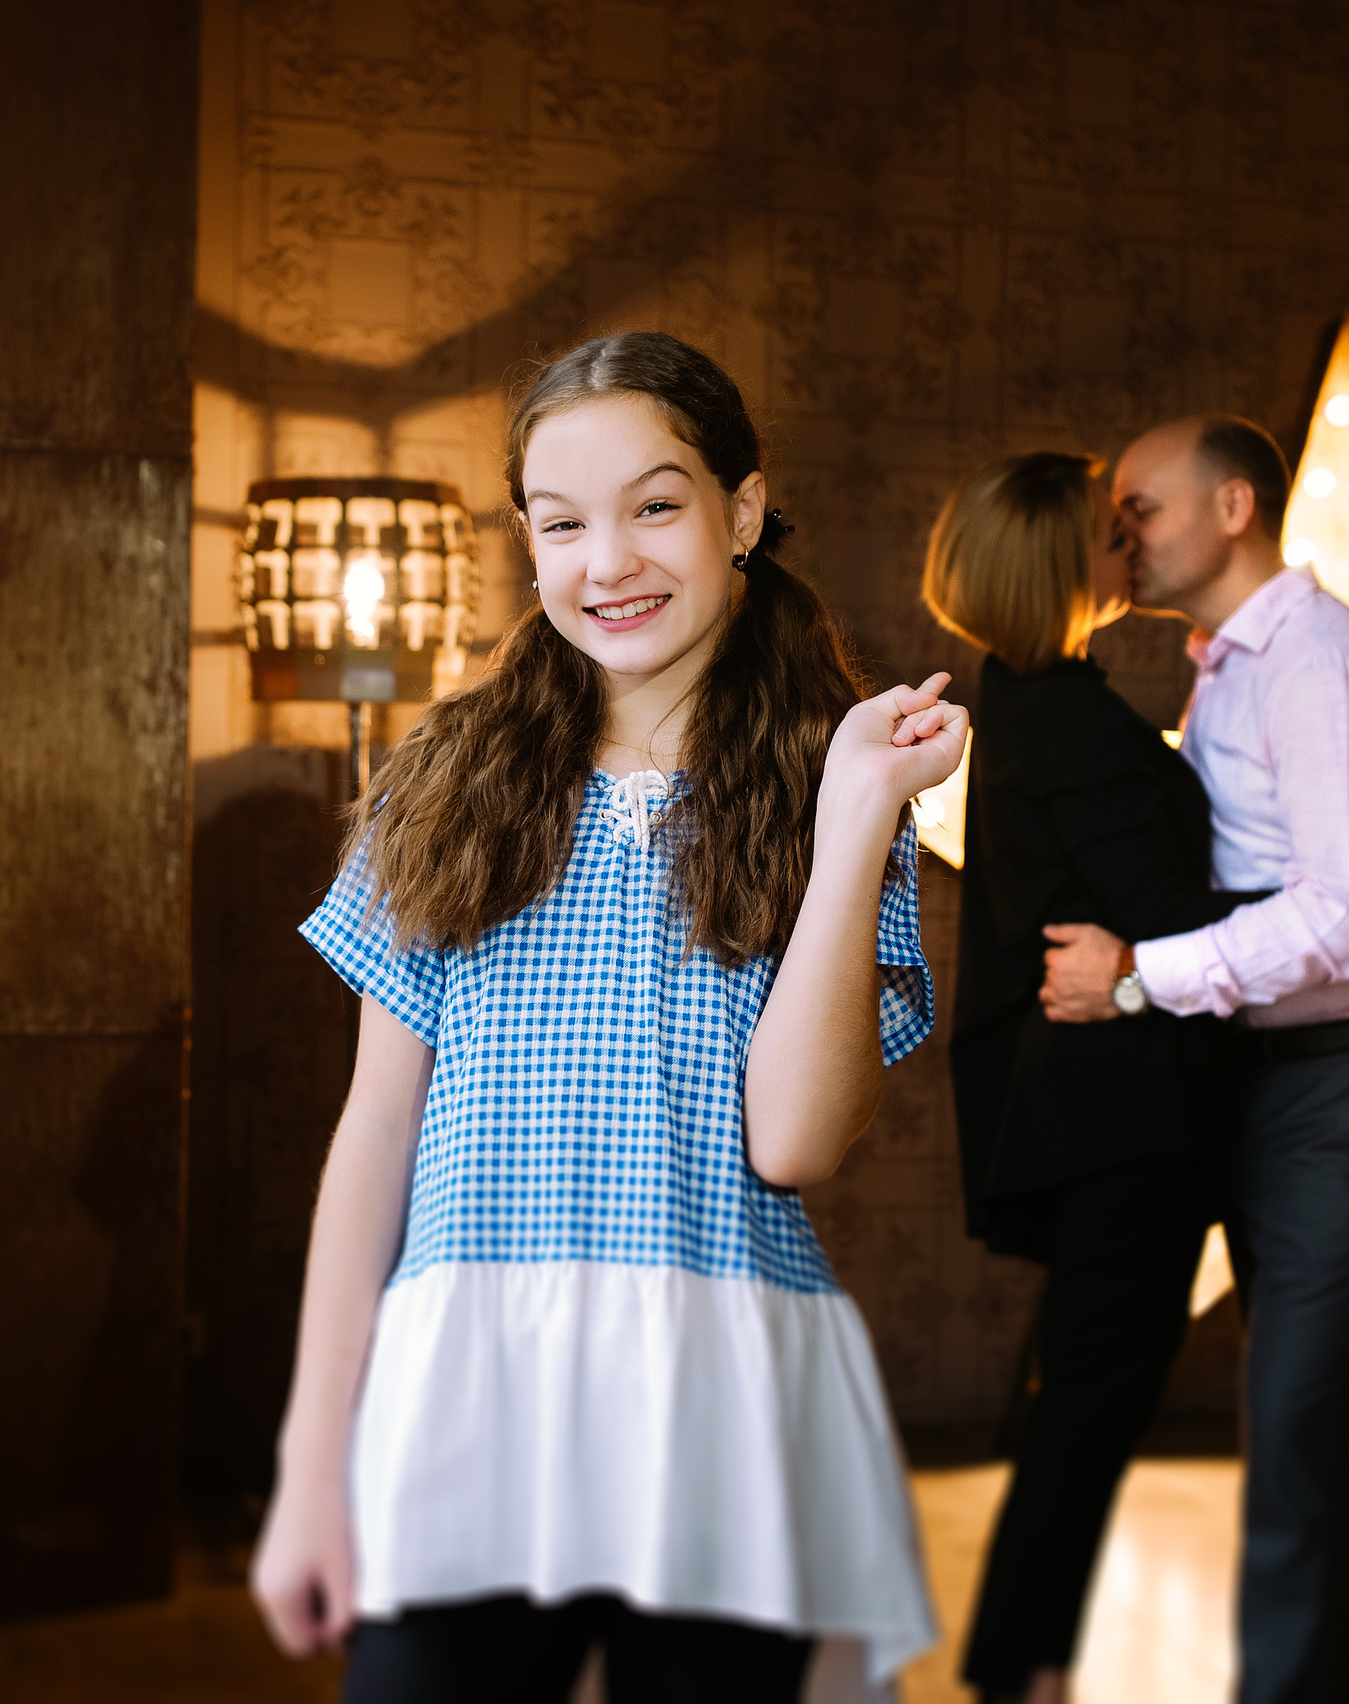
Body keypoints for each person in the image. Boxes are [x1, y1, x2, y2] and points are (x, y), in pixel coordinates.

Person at [250, 330, 967, 1704]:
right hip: (467, 1389)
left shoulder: (840, 786)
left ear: (739, 512)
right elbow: (376, 1134)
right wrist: (308, 1469)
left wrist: (861, 814)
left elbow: (798, 1142)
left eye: (655, 505)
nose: (609, 562)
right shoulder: (440, 782)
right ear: (529, 545)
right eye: (563, 522)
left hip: (721, 1402)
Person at [1039, 415, 1349, 1704]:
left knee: (1294, 1433)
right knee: (1318, 1434)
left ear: (1233, 508)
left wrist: (1136, 979)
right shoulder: (1227, 664)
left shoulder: (1319, 668)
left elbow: (1340, 916)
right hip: (1287, 1080)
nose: (1120, 533)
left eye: (1142, 508)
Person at [921, 450, 1270, 1704]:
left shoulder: (1022, 696)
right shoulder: (1067, 720)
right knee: (1091, 1405)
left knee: (1080, 1395)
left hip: (1086, 1107)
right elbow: (1174, 915)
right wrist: (1346, 894)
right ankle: (1023, 1670)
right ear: (1062, 563)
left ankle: (1022, 1663)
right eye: (1109, 528)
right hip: (1120, 1112)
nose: (1132, 542)